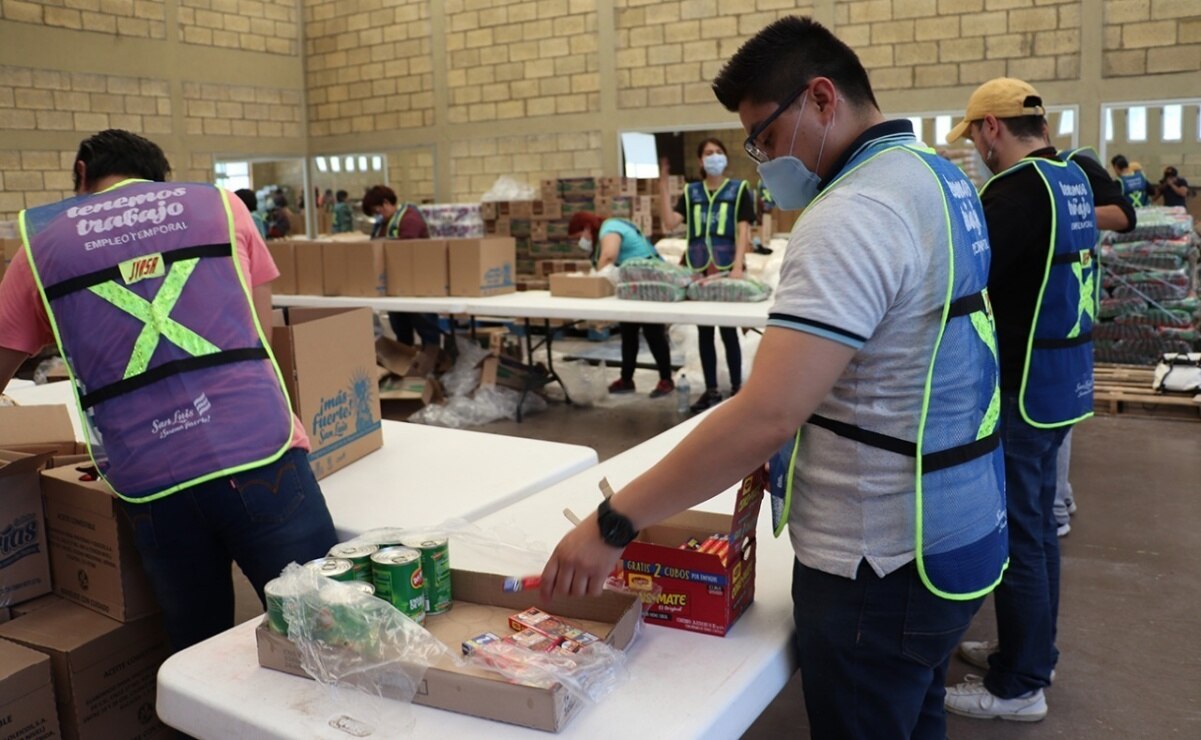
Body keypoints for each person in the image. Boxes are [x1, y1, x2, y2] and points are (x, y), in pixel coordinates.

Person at [541, 17, 1007, 739]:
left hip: (880, 560)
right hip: (957, 524)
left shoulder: (853, 211)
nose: (757, 160)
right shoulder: (937, 176)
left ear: (822, 99)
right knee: (914, 714)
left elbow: (766, 415)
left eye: (762, 137)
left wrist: (614, 523)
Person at [0, 130, 338, 652]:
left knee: (198, 651)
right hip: (259, 450)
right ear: (161, 178)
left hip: (152, 481)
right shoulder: (221, 209)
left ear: (82, 171)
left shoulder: (42, 246)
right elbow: (260, 331)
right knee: (324, 631)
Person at [943, 78, 1097, 722]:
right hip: (1063, 380)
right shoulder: (1072, 178)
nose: (977, 149)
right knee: (1038, 529)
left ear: (990, 128)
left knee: (1022, 533)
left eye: (974, 136)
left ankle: (1020, 685)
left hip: (1023, 386)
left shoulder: (1013, 191)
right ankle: (1032, 653)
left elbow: (966, 275)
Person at [1050, 146, 1137, 538]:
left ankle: (1054, 508)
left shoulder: (1075, 165)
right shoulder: (1038, 176)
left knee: (1054, 410)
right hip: (1064, 302)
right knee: (1058, 413)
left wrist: (1059, 214)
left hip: (1070, 306)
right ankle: (1061, 496)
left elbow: (1124, 216)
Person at [657, 138, 753, 412]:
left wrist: (738, 265)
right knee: (704, 330)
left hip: (725, 268)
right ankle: (711, 390)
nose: (714, 157)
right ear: (700, 161)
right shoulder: (691, 192)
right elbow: (670, 222)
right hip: (698, 268)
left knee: (728, 328)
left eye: (718, 152)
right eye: (708, 153)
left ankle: (737, 388)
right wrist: (662, 187)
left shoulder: (739, 190)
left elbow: (743, 230)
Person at [567, 212, 674, 398]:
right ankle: (626, 379)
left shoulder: (610, 228)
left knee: (653, 331)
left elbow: (609, 256)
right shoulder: (603, 235)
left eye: (579, 236)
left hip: (647, 282)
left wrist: (595, 281)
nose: (581, 242)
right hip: (633, 285)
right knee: (628, 331)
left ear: (586, 227)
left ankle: (666, 379)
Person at [361, 185, 439, 346]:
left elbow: (406, 249)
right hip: (395, 285)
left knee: (426, 328)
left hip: (417, 285)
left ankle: (433, 363)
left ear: (386, 203)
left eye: (378, 211)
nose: (378, 216)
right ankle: (405, 363)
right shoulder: (383, 224)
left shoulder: (410, 219)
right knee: (400, 329)